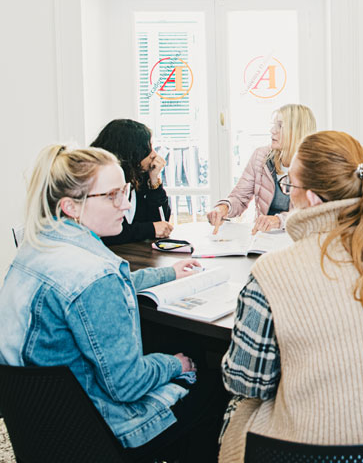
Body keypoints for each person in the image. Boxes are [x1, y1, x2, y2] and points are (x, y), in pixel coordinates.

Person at [217, 131, 363, 462]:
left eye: (291, 187)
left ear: (312, 198)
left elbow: (247, 382)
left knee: (237, 409)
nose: (289, 193)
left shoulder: (272, 272)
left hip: (306, 451)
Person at [0, 145, 225, 462]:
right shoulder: (97, 275)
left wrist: (165, 275)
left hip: (45, 425)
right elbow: (127, 386)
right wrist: (177, 364)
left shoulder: (36, 249)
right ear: (71, 206)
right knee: (213, 388)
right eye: (112, 196)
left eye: (125, 192)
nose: (125, 206)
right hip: (99, 431)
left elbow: (95, 289)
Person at [207, 103, 316, 235]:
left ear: (297, 131)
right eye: (274, 125)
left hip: (298, 238)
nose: (272, 130)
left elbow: (311, 214)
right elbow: (239, 198)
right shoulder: (260, 156)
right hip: (263, 238)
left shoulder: (315, 165)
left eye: (280, 126)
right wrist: (224, 208)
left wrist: (278, 220)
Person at [90, 119, 173, 245]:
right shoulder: (99, 182)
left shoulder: (140, 176)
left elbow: (161, 224)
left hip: (134, 257)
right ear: (131, 151)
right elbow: (107, 233)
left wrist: (154, 180)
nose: (154, 155)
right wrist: (148, 229)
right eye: (148, 148)